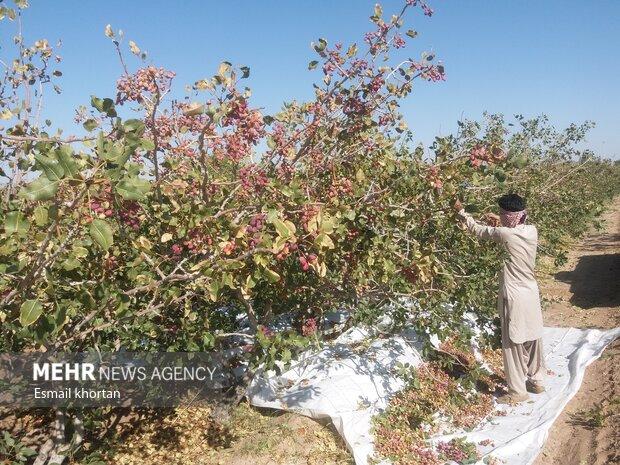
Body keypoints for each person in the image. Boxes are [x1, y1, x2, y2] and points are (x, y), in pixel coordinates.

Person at [454, 193, 545, 404]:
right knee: (533, 337)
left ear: (507, 217)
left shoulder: (504, 234)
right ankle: (537, 380)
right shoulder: (531, 231)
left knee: (512, 343)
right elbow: (511, 226)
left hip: (513, 296)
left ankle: (517, 391)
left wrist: (460, 211)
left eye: (503, 214)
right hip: (531, 292)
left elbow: (476, 229)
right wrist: (500, 218)